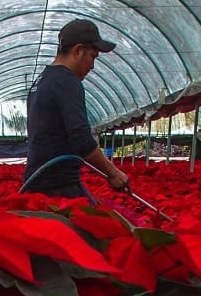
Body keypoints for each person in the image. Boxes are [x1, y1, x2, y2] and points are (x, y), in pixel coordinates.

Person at [21, 19, 129, 199]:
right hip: (58, 188)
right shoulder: (67, 82)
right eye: (93, 56)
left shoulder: (42, 80)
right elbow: (81, 140)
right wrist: (114, 173)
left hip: (36, 183)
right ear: (78, 51)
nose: (92, 66)